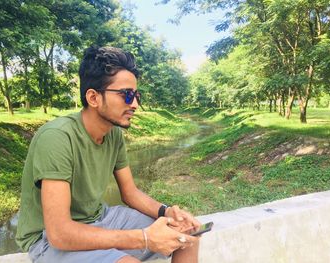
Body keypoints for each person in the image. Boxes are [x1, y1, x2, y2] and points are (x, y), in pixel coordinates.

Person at [16, 46, 201, 263]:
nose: (134, 104)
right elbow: (59, 233)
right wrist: (143, 238)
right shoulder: (57, 138)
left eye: (136, 95)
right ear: (94, 98)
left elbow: (130, 193)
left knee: (186, 234)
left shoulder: (113, 135)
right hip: (47, 238)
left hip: (100, 218)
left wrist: (167, 212)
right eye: (126, 95)